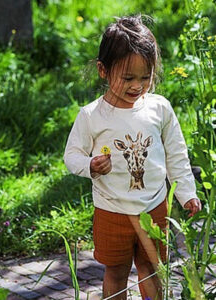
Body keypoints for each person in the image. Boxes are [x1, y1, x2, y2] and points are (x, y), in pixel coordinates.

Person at [63, 15, 202, 300]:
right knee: (115, 271)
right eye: (128, 78)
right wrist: (89, 165)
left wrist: (186, 192)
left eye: (145, 77)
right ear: (103, 70)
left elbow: (176, 152)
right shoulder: (92, 116)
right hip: (112, 211)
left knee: (152, 269)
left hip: (154, 206)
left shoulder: (159, 108)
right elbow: (72, 155)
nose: (138, 86)